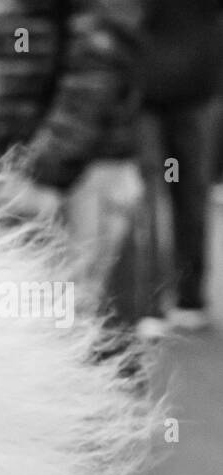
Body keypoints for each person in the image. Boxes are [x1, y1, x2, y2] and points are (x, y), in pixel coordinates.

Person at [0, 0, 145, 305]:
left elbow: (95, 76)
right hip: (46, 168)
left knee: (76, 315)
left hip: (79, 173)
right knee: (48, 313)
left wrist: (44, 173)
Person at [131, 0, 223, 339]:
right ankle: (183, 299)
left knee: (163, 191)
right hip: (171, 92)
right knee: (178, 192)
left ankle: (171, 300)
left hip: (176, 92)